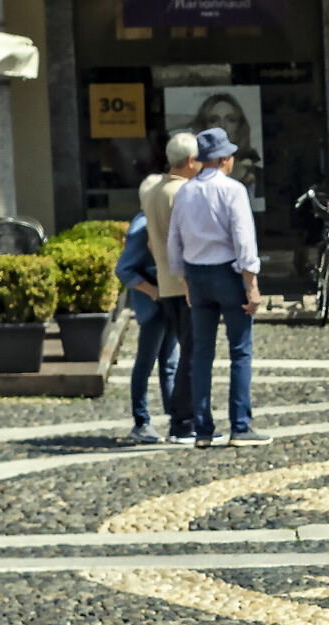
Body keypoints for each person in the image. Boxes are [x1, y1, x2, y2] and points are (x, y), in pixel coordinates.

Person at [165, 126, 271, 447]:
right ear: (224, 159)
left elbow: (174, 242)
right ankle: (240, 426)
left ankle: (203, 430)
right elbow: (243, 241)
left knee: (200, 354)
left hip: (196, 275)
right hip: (227, 273)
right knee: (240, 351)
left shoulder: (184, 191)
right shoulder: (233, 190)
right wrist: (251, 284)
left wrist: (184, 280)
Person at [137, 132, 201, 444]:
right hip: (186, 282)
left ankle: (182, 418)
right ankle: (183, 422)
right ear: (190, 161)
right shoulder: (185, 193)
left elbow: (151, 242)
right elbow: (189, 242)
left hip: (165, 281)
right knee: (191, 355)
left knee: (182, 354)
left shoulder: (152, 190)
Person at [113, 212, 175, 445]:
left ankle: (176, 420)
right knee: (146, 363)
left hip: (167, 302)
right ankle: (141, 422)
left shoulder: (159, 220)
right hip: (154, 306)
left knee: (170, 363)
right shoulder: (143, 225)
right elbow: (124, 269)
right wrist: (153, 292)